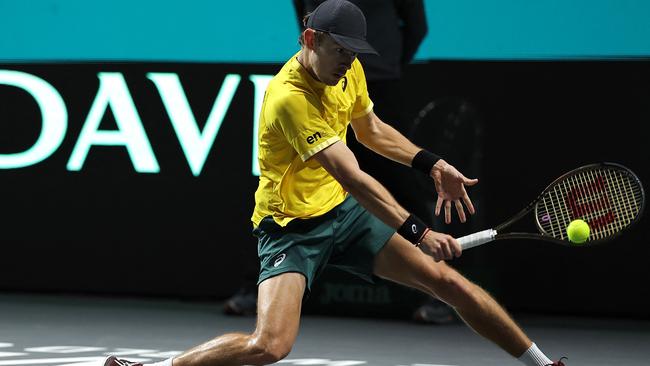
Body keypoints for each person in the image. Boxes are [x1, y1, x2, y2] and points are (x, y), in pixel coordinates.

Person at [104, 1, 566, 366]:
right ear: (310, 38)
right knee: (269, 345)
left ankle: (544, 364)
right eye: (339, 51)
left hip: (342, 215)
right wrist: (420, 232)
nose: (347, 62)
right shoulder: (289, 97)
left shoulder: (349, 69)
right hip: (291, 226)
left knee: (450, 283)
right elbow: (354, 175)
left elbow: (372, 132)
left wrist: (432, 163)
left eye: (353, 53)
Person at [294, 0, 457, 324]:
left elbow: (416, 25)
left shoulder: (357, 68)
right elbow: (304, 13)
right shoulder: (291, 94)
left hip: (377, 81)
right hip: (317, 86)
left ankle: (443, 289)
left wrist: (382, 62)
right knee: (298, 183)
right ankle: (266, 286)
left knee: (401, 183)